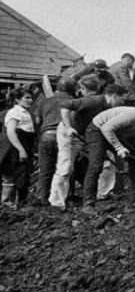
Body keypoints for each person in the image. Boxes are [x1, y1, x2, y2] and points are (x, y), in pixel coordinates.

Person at [50, 79, 124, 210]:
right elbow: (65, 105)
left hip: (89, 134)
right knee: (65, 167)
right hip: (70, 133)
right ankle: (57, 202)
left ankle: (103, 195)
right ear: (114, 96)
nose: (122, 103)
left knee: (107, 162)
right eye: (121, 99)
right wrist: (68, 127)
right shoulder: (94, 100)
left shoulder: (110, 107)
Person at [35, 78, 77, 206]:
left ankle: (43, 197)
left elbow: (37, 120)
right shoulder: (73, 101)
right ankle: (68, 196)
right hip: (64, 136)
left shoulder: (46, 100)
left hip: (47, 136)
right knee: (67, 167)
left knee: (45, 168)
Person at [0, 88, 36, 209]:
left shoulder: (27, 113)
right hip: (13, 148)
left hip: (24, 145)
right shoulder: (15, 112)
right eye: (27, 98)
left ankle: (21, 203)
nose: (30, 100)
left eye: (31, 97)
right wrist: (20, 149)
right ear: (17, 99)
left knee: (23, 174)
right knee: (11, 174)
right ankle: (7, 203)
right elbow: (11, 132)